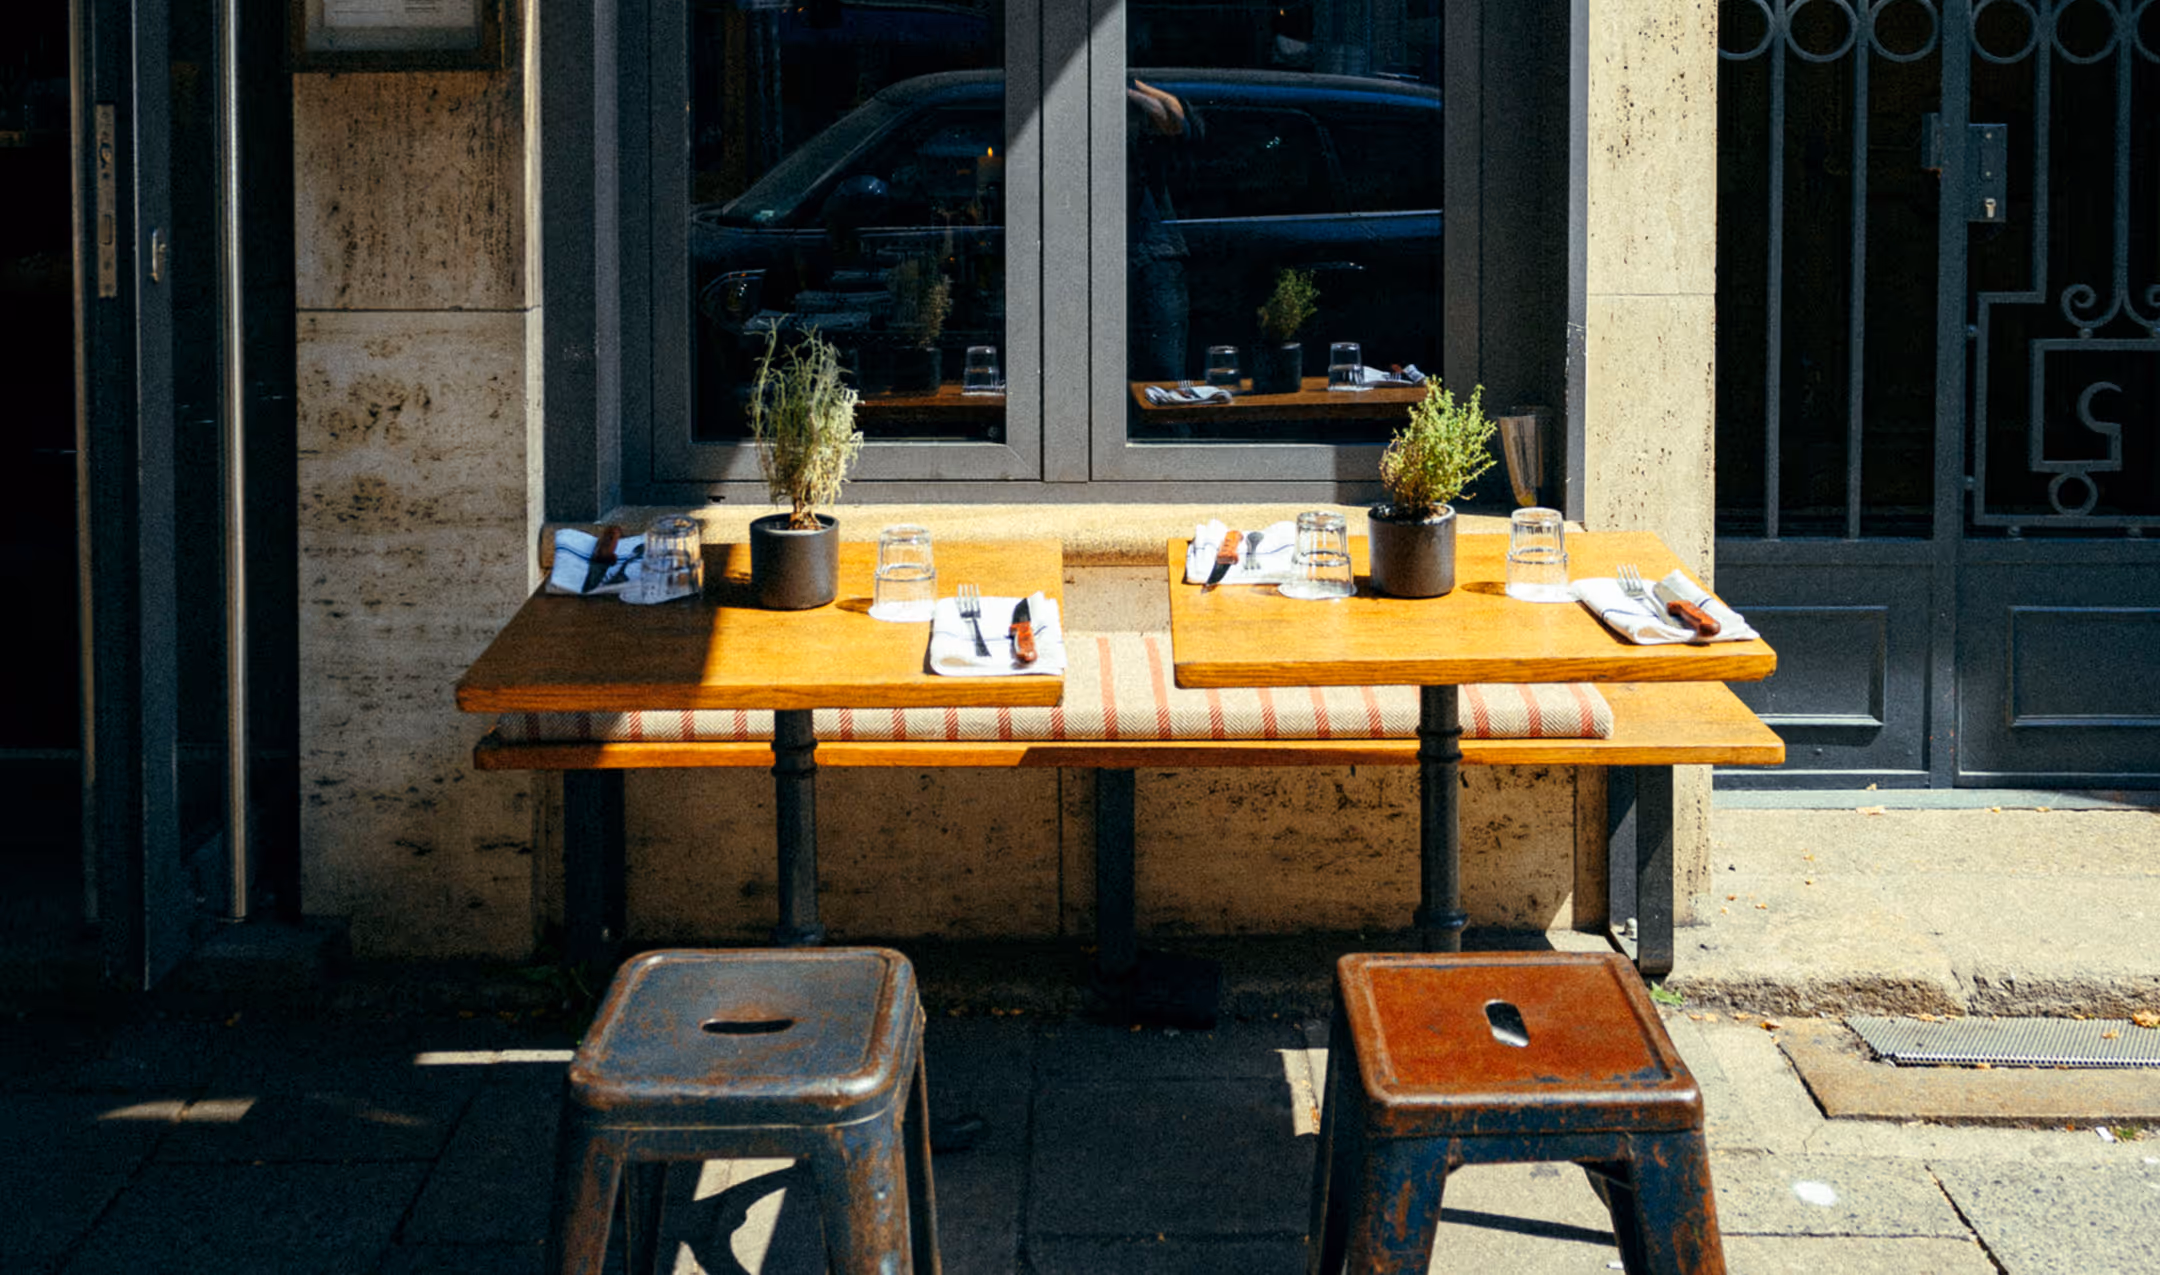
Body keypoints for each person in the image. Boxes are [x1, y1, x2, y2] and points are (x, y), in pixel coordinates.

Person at [1127, 78, 1200, 383]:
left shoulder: (1139, 118)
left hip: (1150, 258)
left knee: (1162, 382)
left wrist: (1127, 87)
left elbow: (1178, 122)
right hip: (1138, 254)